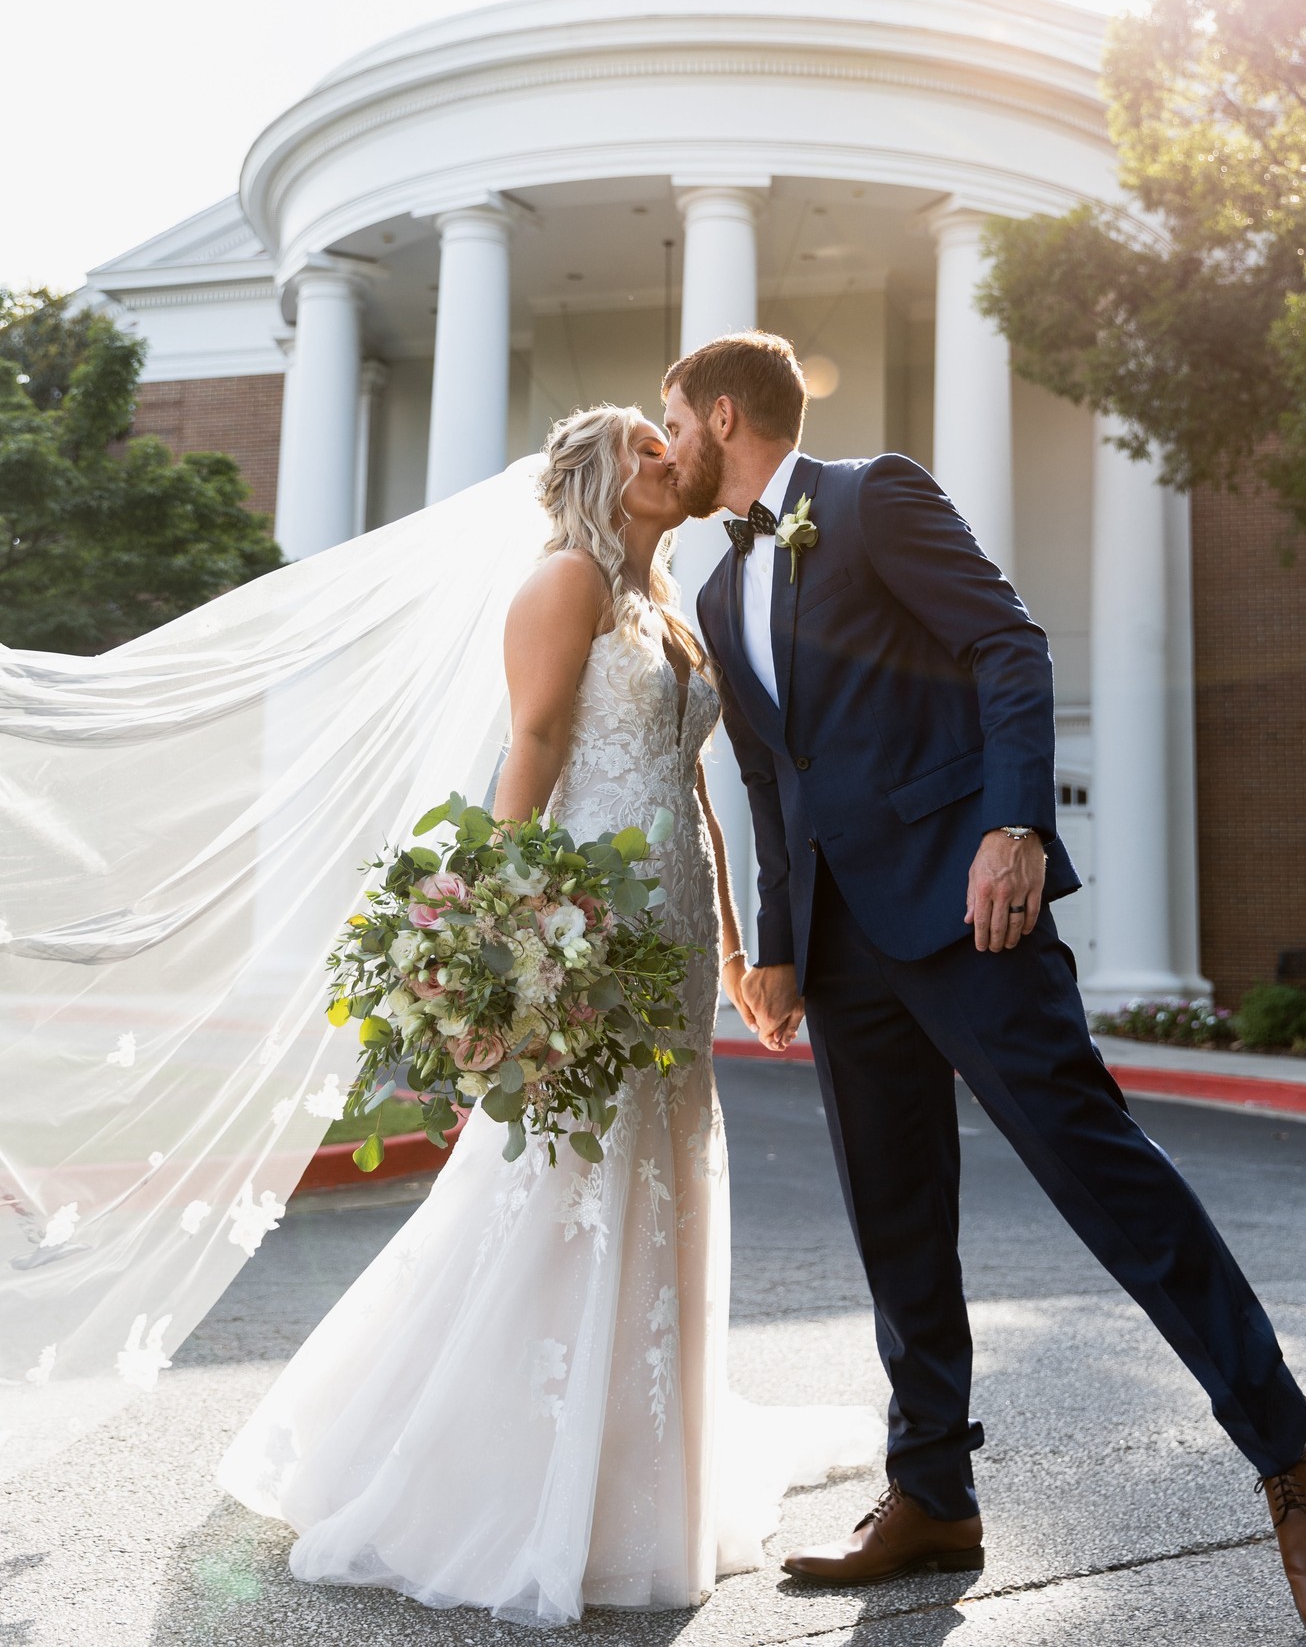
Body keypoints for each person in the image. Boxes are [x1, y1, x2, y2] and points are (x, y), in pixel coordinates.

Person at [664, 330, 1306, 1644]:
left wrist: (1018, 827)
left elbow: (1008, 645)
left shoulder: (873, 494)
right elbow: (769, 784)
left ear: (721, 412)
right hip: (840, 945)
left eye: (675, 426)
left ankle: (1291, 1452)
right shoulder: (716, 591)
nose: (668, 450)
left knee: (1103, 1175)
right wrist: (770, 949)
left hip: (967, 904)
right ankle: (930, 1490)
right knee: (896, 1220)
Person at [214, 404, 881, 1624]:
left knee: (659, 1168)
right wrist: (483, 944)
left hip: (674, 936)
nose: (667, 455)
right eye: (642, 444)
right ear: (591, 475)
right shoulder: (564, 581)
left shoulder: (667, 605)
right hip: (586, 925)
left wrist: (737, 943)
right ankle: (486, 1462)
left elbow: (693, 786)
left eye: (666, 435)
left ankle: (635, 1457)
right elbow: (528, 750)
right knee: (565, 1172)